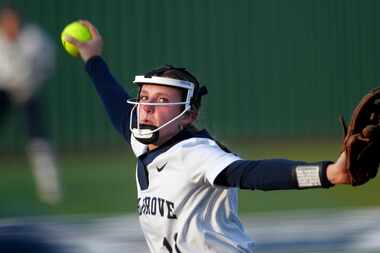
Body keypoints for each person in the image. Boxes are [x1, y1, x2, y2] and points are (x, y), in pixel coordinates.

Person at [65, 20, 352, 253]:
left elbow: (253, 173)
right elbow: (114, 101)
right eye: (145, 97)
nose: (148, 106)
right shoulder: (145, 138)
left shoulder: (197, 154)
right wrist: (92, 58)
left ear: (188, 116)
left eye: (163, 101)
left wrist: (329, 173)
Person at [0, 5, 62, 205]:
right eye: (5, 21)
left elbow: (47, 64)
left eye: (12, 20)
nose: (10, 25)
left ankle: (49, 188)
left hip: (28, 92)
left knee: (38, 140)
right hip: (3, 92)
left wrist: (33, 83)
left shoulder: (34, 39)